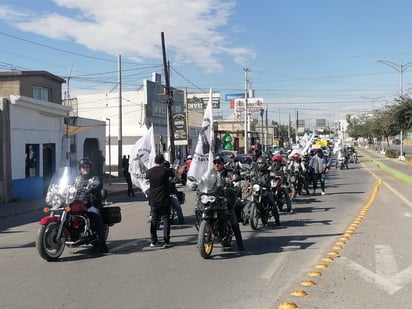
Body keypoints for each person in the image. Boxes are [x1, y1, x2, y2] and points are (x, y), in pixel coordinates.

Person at [74, 158, 108, 253]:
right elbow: (69, 186)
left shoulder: (95, 177)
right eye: (83, 167)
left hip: (91, 204)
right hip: (78, 204)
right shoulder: (77, 179)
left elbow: (98, 183)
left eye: (87, 167)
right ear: (80, 169)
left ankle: (102, 243)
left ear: (90, 168)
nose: (85, 169)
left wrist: (94, 186)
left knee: (96, 215)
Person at [212, 156, 244, 251]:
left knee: (234, 222)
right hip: (214, 199)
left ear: (223, 163)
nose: (217, 164)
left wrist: (234, 185)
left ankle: (240, 244)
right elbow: (203, 181)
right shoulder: (210, 173)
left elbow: (236, 181)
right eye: (215, 162)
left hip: (226, 200)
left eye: (219, 162)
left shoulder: (228, 172)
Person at [145, 154, 175, 248]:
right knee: (166, 219)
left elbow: (146, 178)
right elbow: (173, 175)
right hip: (164, 199)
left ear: (155, 161)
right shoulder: (166, 171)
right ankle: (166, 241)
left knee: (154, 221)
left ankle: (153, 241)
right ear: (162, 162)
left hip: (154, 200)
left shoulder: (149, 171)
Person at [163, 160, 185, 224]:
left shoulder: (171, 171)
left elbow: (177, 176)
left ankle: (181, 220)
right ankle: (154, 217)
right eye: (164, 166)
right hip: (162, 193)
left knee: (177, 206)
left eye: (166, 166)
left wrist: (178, 178)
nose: (165, 167)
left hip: (171, 193)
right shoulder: (160, 172)